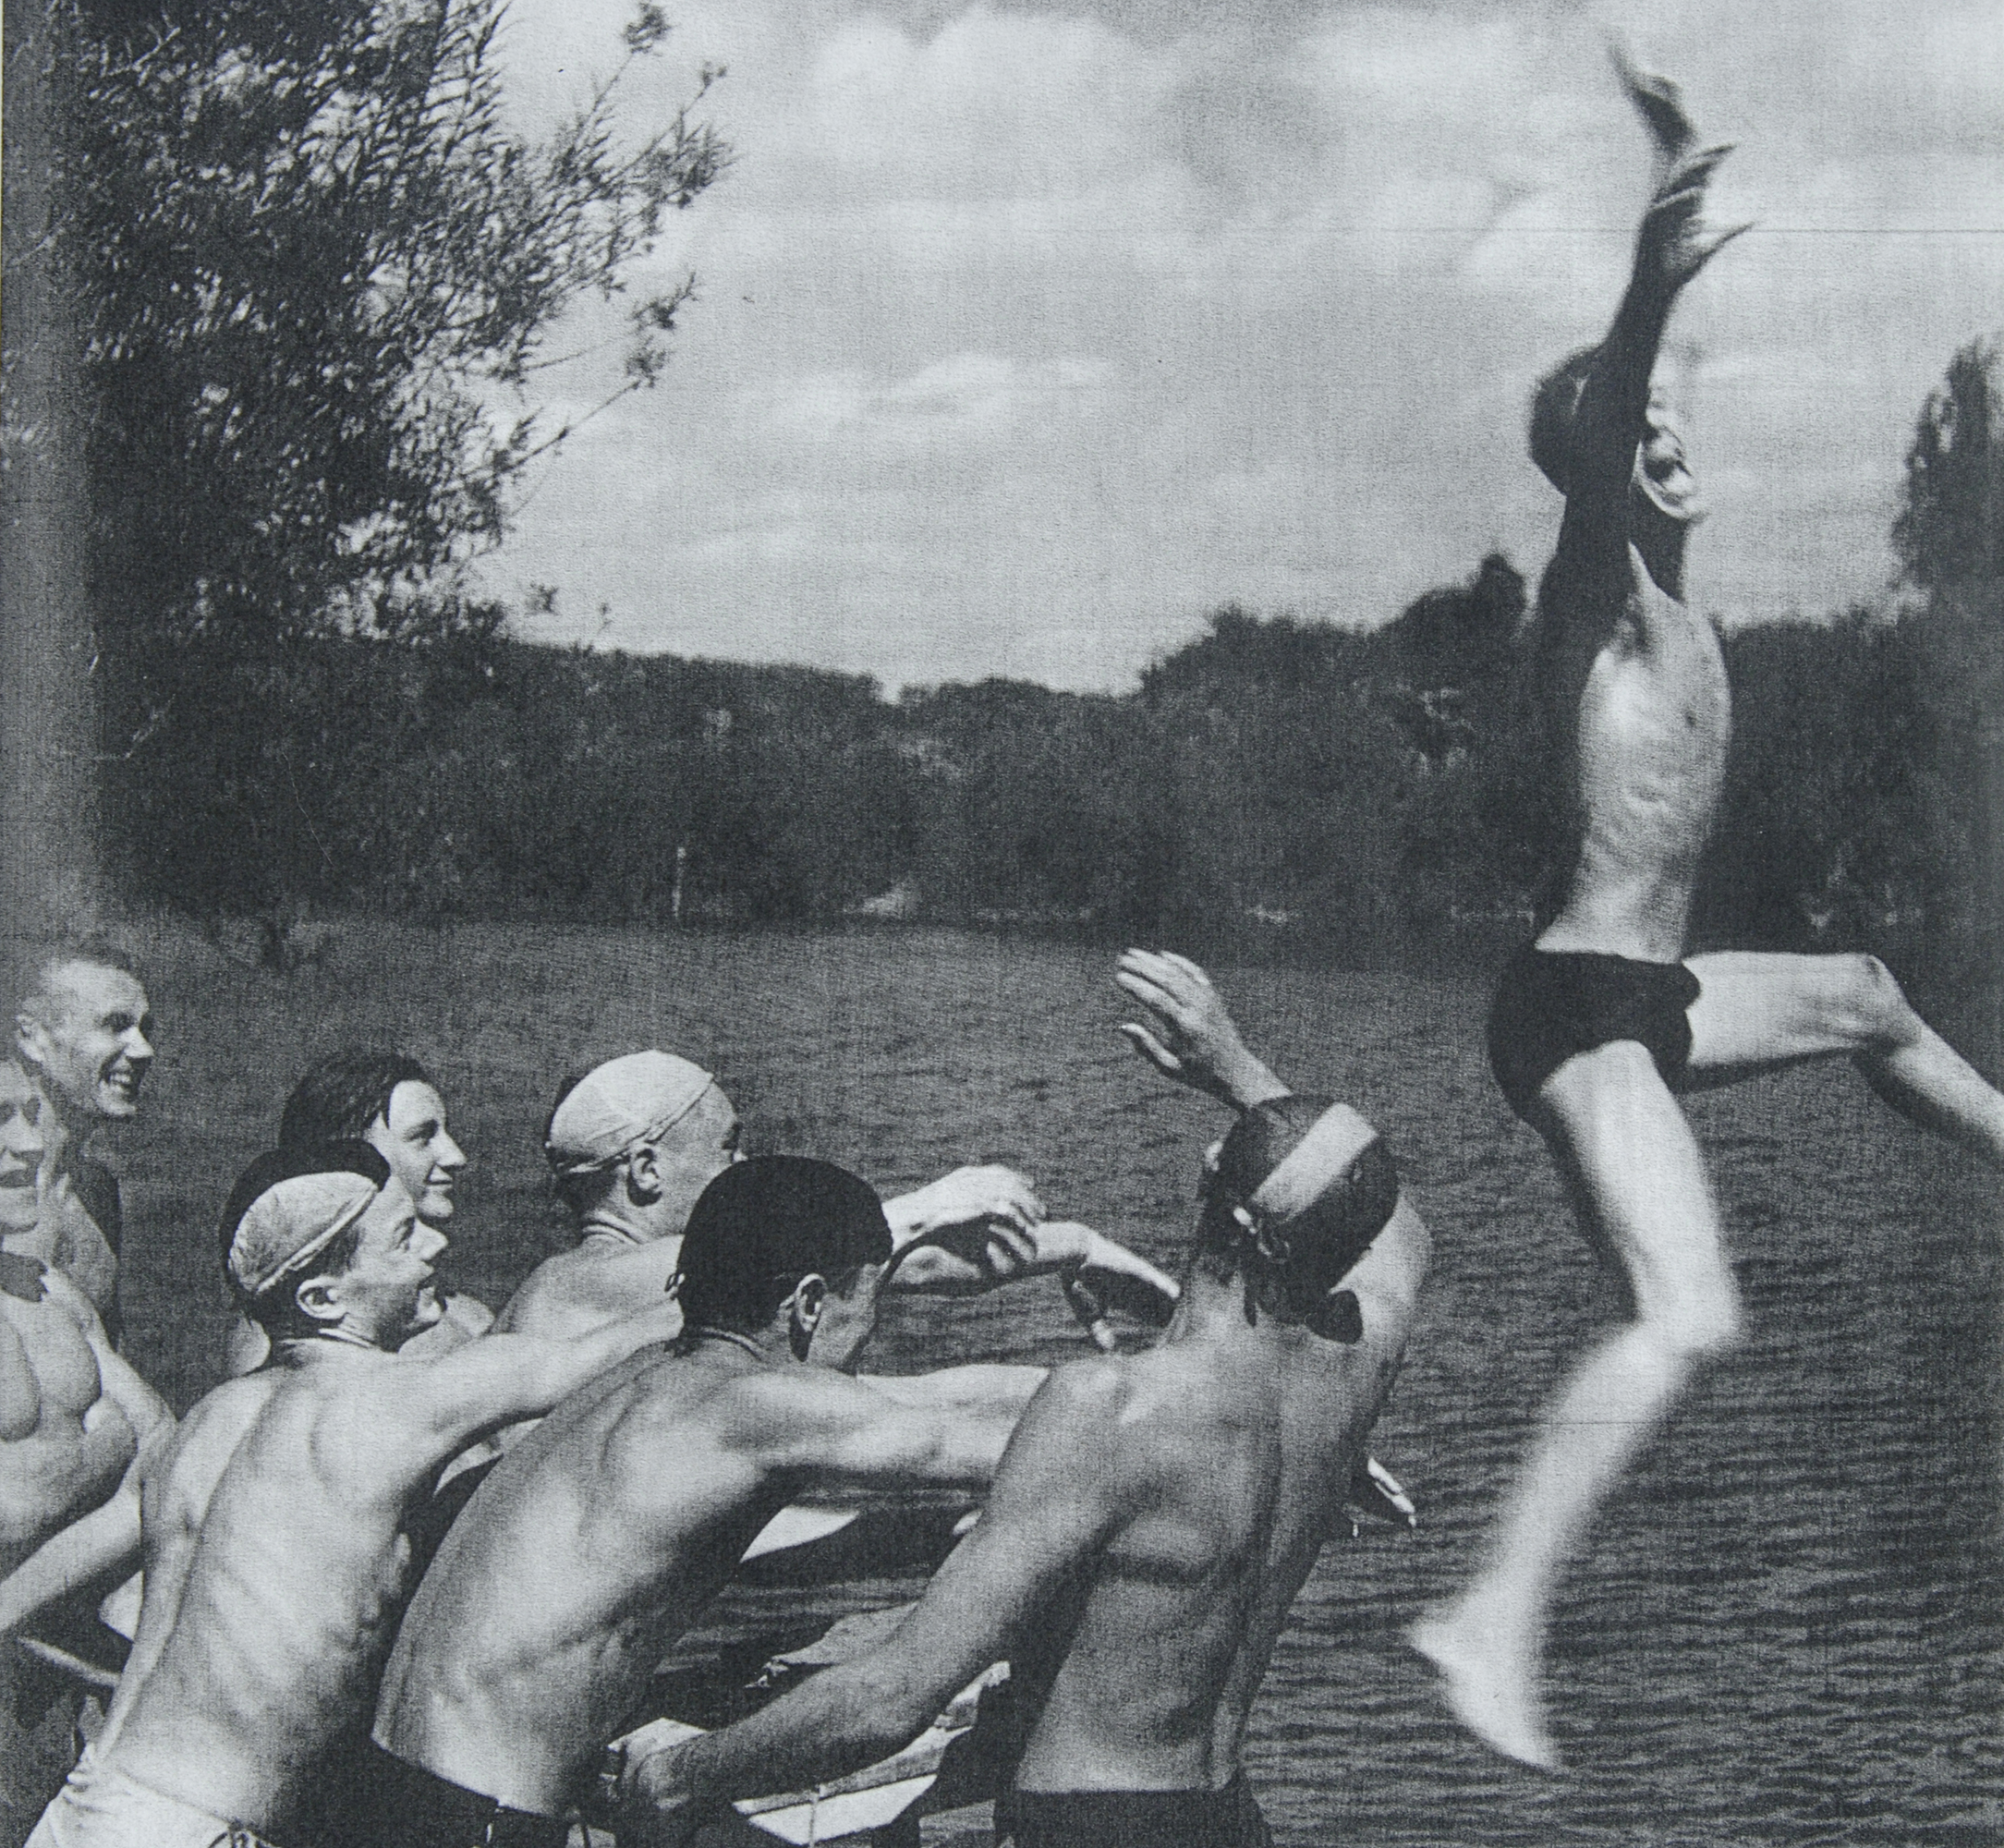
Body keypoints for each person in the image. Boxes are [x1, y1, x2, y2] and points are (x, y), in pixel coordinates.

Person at [1408, 55, 2004, 1769]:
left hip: (1646, 989)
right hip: (1572, 1011)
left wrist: (1668, 288)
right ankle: (1484, 1620)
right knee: (1689, 1316)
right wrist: (1651, 270)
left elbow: (1639, 415)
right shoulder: (1591, 607)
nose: (1666, 449)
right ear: (1592, 474)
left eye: (1675, 434)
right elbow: (1607, 425)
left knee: (1866, 992)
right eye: (1635, 441)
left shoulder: (1677, 610)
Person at [618, 1094, 1429, 1848]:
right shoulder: (1355, 1370)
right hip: (1224, 1815)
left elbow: (893, 1696)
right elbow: (1403, 1234)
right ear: (1344, 1246)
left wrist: (678, 1776)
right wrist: (1247, 1085)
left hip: (1085, 1824)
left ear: (1208, 1168)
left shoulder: (1107, 1405)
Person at [365, 1154, 1091, 1845]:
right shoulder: (752, 1408)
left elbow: (937, 1398)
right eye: (866, 1309)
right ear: (808, 1303)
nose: (865, 1338)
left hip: (387, 1786)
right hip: (481, 1821)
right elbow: (984, 1445)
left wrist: (1105, 1379)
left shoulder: (651, 1376)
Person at [24, 1142, 680, 1848]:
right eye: (402, 1237)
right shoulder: (386, 1403)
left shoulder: (200, 1428)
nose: (435, 1245)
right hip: (201, 1830)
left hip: (86, 1805)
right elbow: (582, 1358)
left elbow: (17, 1608)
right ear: (322, 1299)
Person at [495, 1050, 1176, 1345]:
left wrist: (1079, 1248)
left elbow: (917, 1265)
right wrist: (939, 1199)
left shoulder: (692, 1279)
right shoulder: (571, 1285)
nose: (745, 1167)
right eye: (728, 1148)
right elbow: (823, 1241)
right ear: (646, 1170)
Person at [0, 1059, 172, 1848]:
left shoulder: (45, 1290)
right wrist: (104, 1446)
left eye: (31, 1115)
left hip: (52, 1671)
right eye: (1, 1120)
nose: (30, 1143)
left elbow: (164, 1451)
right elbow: (16, 1506)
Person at [225, 1050, 492, 1375]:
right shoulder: (286, 1335)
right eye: (423, 1137)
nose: (456, 1156)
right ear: (347, 1150)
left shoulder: (437, 1302)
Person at [11, 941, 155, 1339]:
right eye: (115, 1025)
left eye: (145, 1029)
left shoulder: (96, 1188)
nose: (145, 1050)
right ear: (32, 1038)